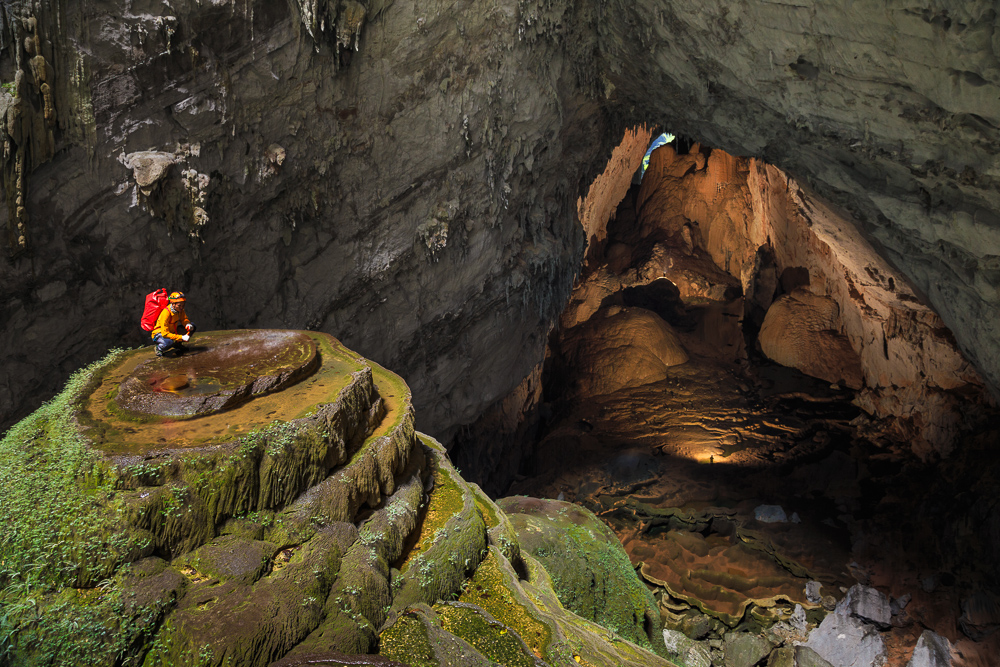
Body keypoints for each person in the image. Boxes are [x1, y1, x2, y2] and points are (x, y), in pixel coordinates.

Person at [152, 291, 196, 357]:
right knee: (169, 342)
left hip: (172, 331)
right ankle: (159, 348)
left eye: (183, 305)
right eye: (179, 305)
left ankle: (177, 344)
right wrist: (181, 337)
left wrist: (187, 324)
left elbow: (183, 319)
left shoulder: (180, 310)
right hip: (160, 334)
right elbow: (165, 333)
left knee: (193, 326)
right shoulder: (166, 313)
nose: (182, 307)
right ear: (173, 304)